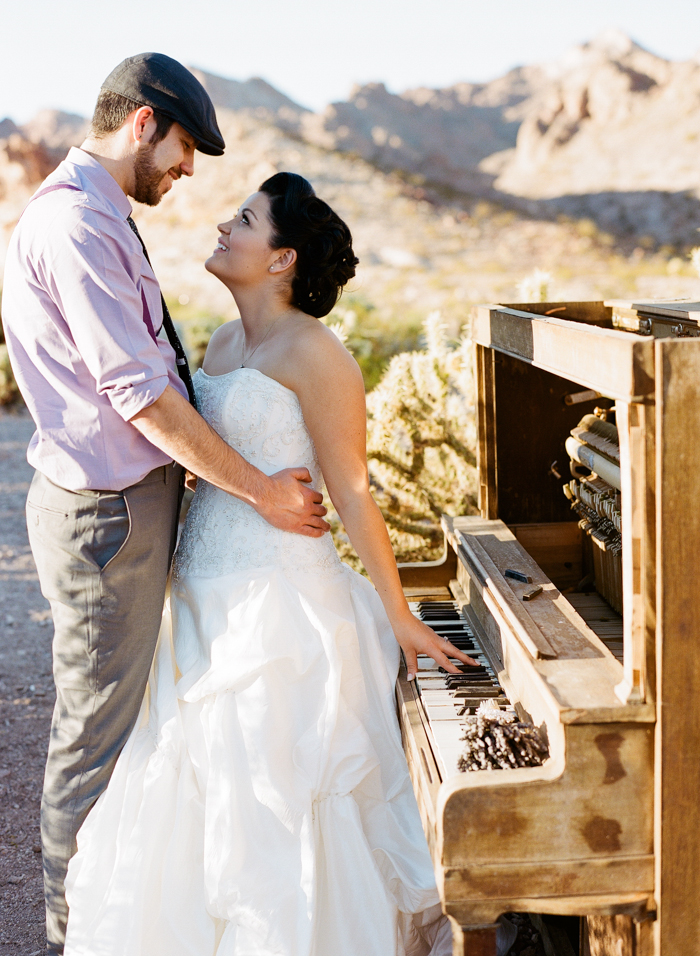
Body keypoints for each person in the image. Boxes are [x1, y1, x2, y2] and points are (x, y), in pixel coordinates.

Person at [59, 172, 479, 956]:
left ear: (282, 259)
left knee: (276, 802)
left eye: (244, 219)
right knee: (190, 792)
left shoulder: (317, 353)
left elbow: (352, 492)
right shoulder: (220, 343)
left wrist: (396, 616)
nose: (225, 225)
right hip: (196, 595)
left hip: (278, 605)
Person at [2, 58, 329, 956]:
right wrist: (260, 489)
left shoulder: (103, 214)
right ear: (145, 123)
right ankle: (79, 937)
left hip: (127, 510)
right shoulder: (74, 226)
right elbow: (142, 396)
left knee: (128, 728)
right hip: (106, 521)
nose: (188, 174)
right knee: (96, 744)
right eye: (185, 151)